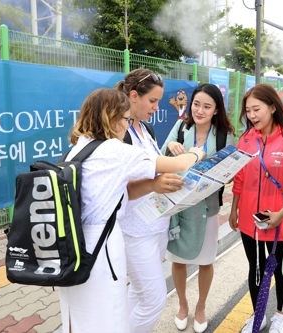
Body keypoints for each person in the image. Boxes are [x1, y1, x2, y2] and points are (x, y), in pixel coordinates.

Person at [58, 88, 205, 333]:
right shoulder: (114, 151)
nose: (127, 126)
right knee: (113, 311)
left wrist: (153, 185)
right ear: (112, 117)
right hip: (102, 244)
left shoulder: (79, 147)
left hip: (75, 240)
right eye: (126, 120)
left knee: (82, 313)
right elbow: (179, 163)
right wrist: (196, 153)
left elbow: (116, 194)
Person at [161, 83, 235, 333]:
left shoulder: (224, 135)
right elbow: (161, 157)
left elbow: (229, 172)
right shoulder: (181, 128)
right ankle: (183, 305)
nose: (200, 110)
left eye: (207, 106)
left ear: (216, 110)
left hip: (208, 206)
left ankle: (201, 307)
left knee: (205, 261)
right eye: (196, 104)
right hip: (179, 207)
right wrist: (170, 148)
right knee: (178, 259)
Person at [228, 84, 283, 333]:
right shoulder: (246, 139)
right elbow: (240, 177)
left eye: (257, 109)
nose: (252, 115)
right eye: (248, 111)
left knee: (280, 269)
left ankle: (281, 314)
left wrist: (282, 213)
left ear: (273, 107)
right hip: (249, 220)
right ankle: (259, 314)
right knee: (255, 268)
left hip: (279, 221)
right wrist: (235, 208)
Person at [113, 68, 173, 333]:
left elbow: (152, 170)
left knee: (139, 294)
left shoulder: (146, 128)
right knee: (154, 299)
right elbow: (117, 187)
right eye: (153, 101)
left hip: (157, 223)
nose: (157, 107)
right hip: (135, 230)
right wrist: (155, 183)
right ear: (134, 96)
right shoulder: (118, 131)